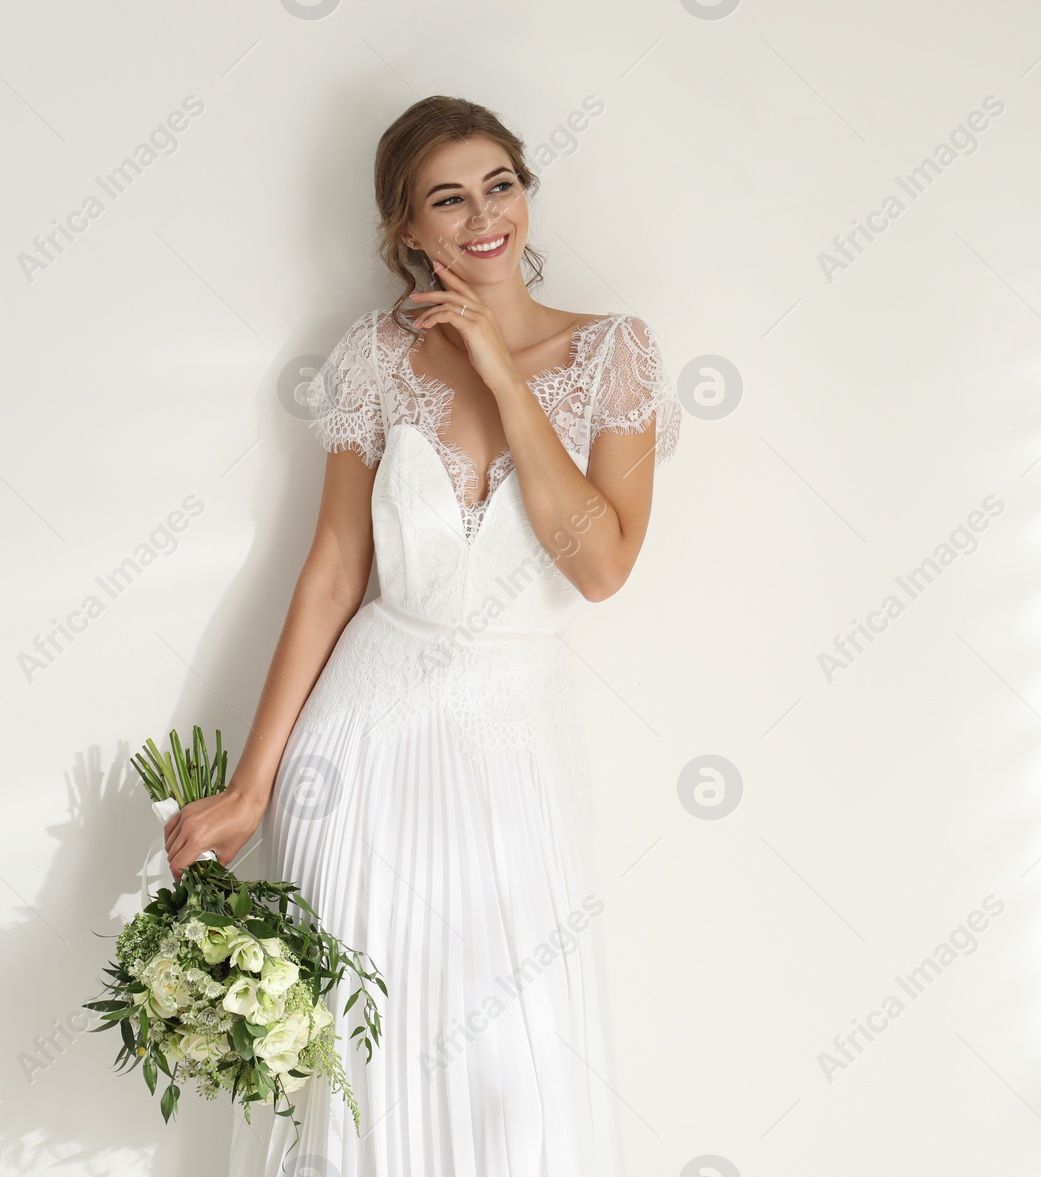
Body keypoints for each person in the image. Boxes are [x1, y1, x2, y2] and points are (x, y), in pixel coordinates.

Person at [163, 94, 680, 1175]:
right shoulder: (373, 357)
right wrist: (255, 782)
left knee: (516, 1057)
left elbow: (600, 566)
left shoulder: (614, 354)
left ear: (526, 195)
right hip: (361, 744)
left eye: (500, 185)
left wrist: (499, 366)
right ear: (407, 232)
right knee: (359, 1055)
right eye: (447, 199)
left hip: (512, 748)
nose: (483, 217)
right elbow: (334, 570)